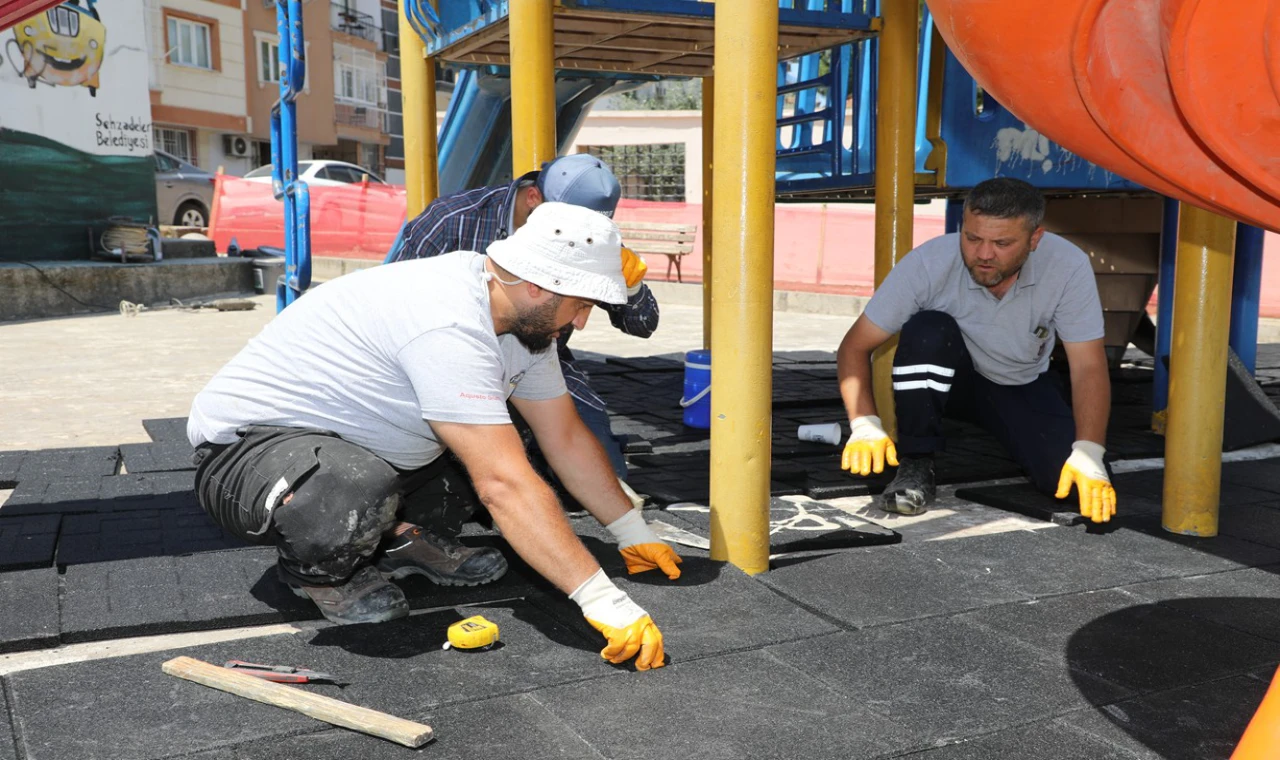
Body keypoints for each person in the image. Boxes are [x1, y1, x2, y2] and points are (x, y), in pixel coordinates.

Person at [187, 202, 681, 670]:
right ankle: (316, 575)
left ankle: (397, 540)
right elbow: (502, 485)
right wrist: (602, 600)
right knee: (369, 482)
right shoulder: (447, 320)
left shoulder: (522, 324)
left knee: (511, 447)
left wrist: (631, 532)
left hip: (361, 442)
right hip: (246, 455)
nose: (580, 321)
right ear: (539, 285)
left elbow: (566, 438)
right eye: (580, 304)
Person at [835, 177, 1118, 523]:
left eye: (1002, 242)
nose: (984, 254)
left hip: (1019, 382)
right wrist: (864, 423)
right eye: (972, 238)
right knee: (928, 328)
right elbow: (854, 346)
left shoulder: (1067, 266)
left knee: (1072, 485)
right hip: (952, 382)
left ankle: (1018, 434)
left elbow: (1088, 366)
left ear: (1035, 239)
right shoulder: (928, 264)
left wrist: (1089, 450)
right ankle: (917, 462)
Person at [391, 153, 656, 482]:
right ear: (533, 198)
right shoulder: (452, 219)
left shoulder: (586, 235)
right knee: (447, 473)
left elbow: (643, 325)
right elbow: (394, 304)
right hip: (450, 360)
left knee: (600, 473)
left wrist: (631, 287)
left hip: (541, 355)